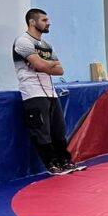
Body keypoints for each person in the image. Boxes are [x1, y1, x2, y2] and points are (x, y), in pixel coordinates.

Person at [14, 9, 79, 175]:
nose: (48, 23)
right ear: (32, 22)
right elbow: (41, 65)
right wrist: (46, 64)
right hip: (33, 92)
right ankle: (52, 164)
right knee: (42, 132)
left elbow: (60, 70)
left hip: (50, 92)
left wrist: (42, 64)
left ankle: (65, 161)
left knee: (59, 130)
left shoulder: (46, 46)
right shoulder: (23, 41)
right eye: (44, 20)